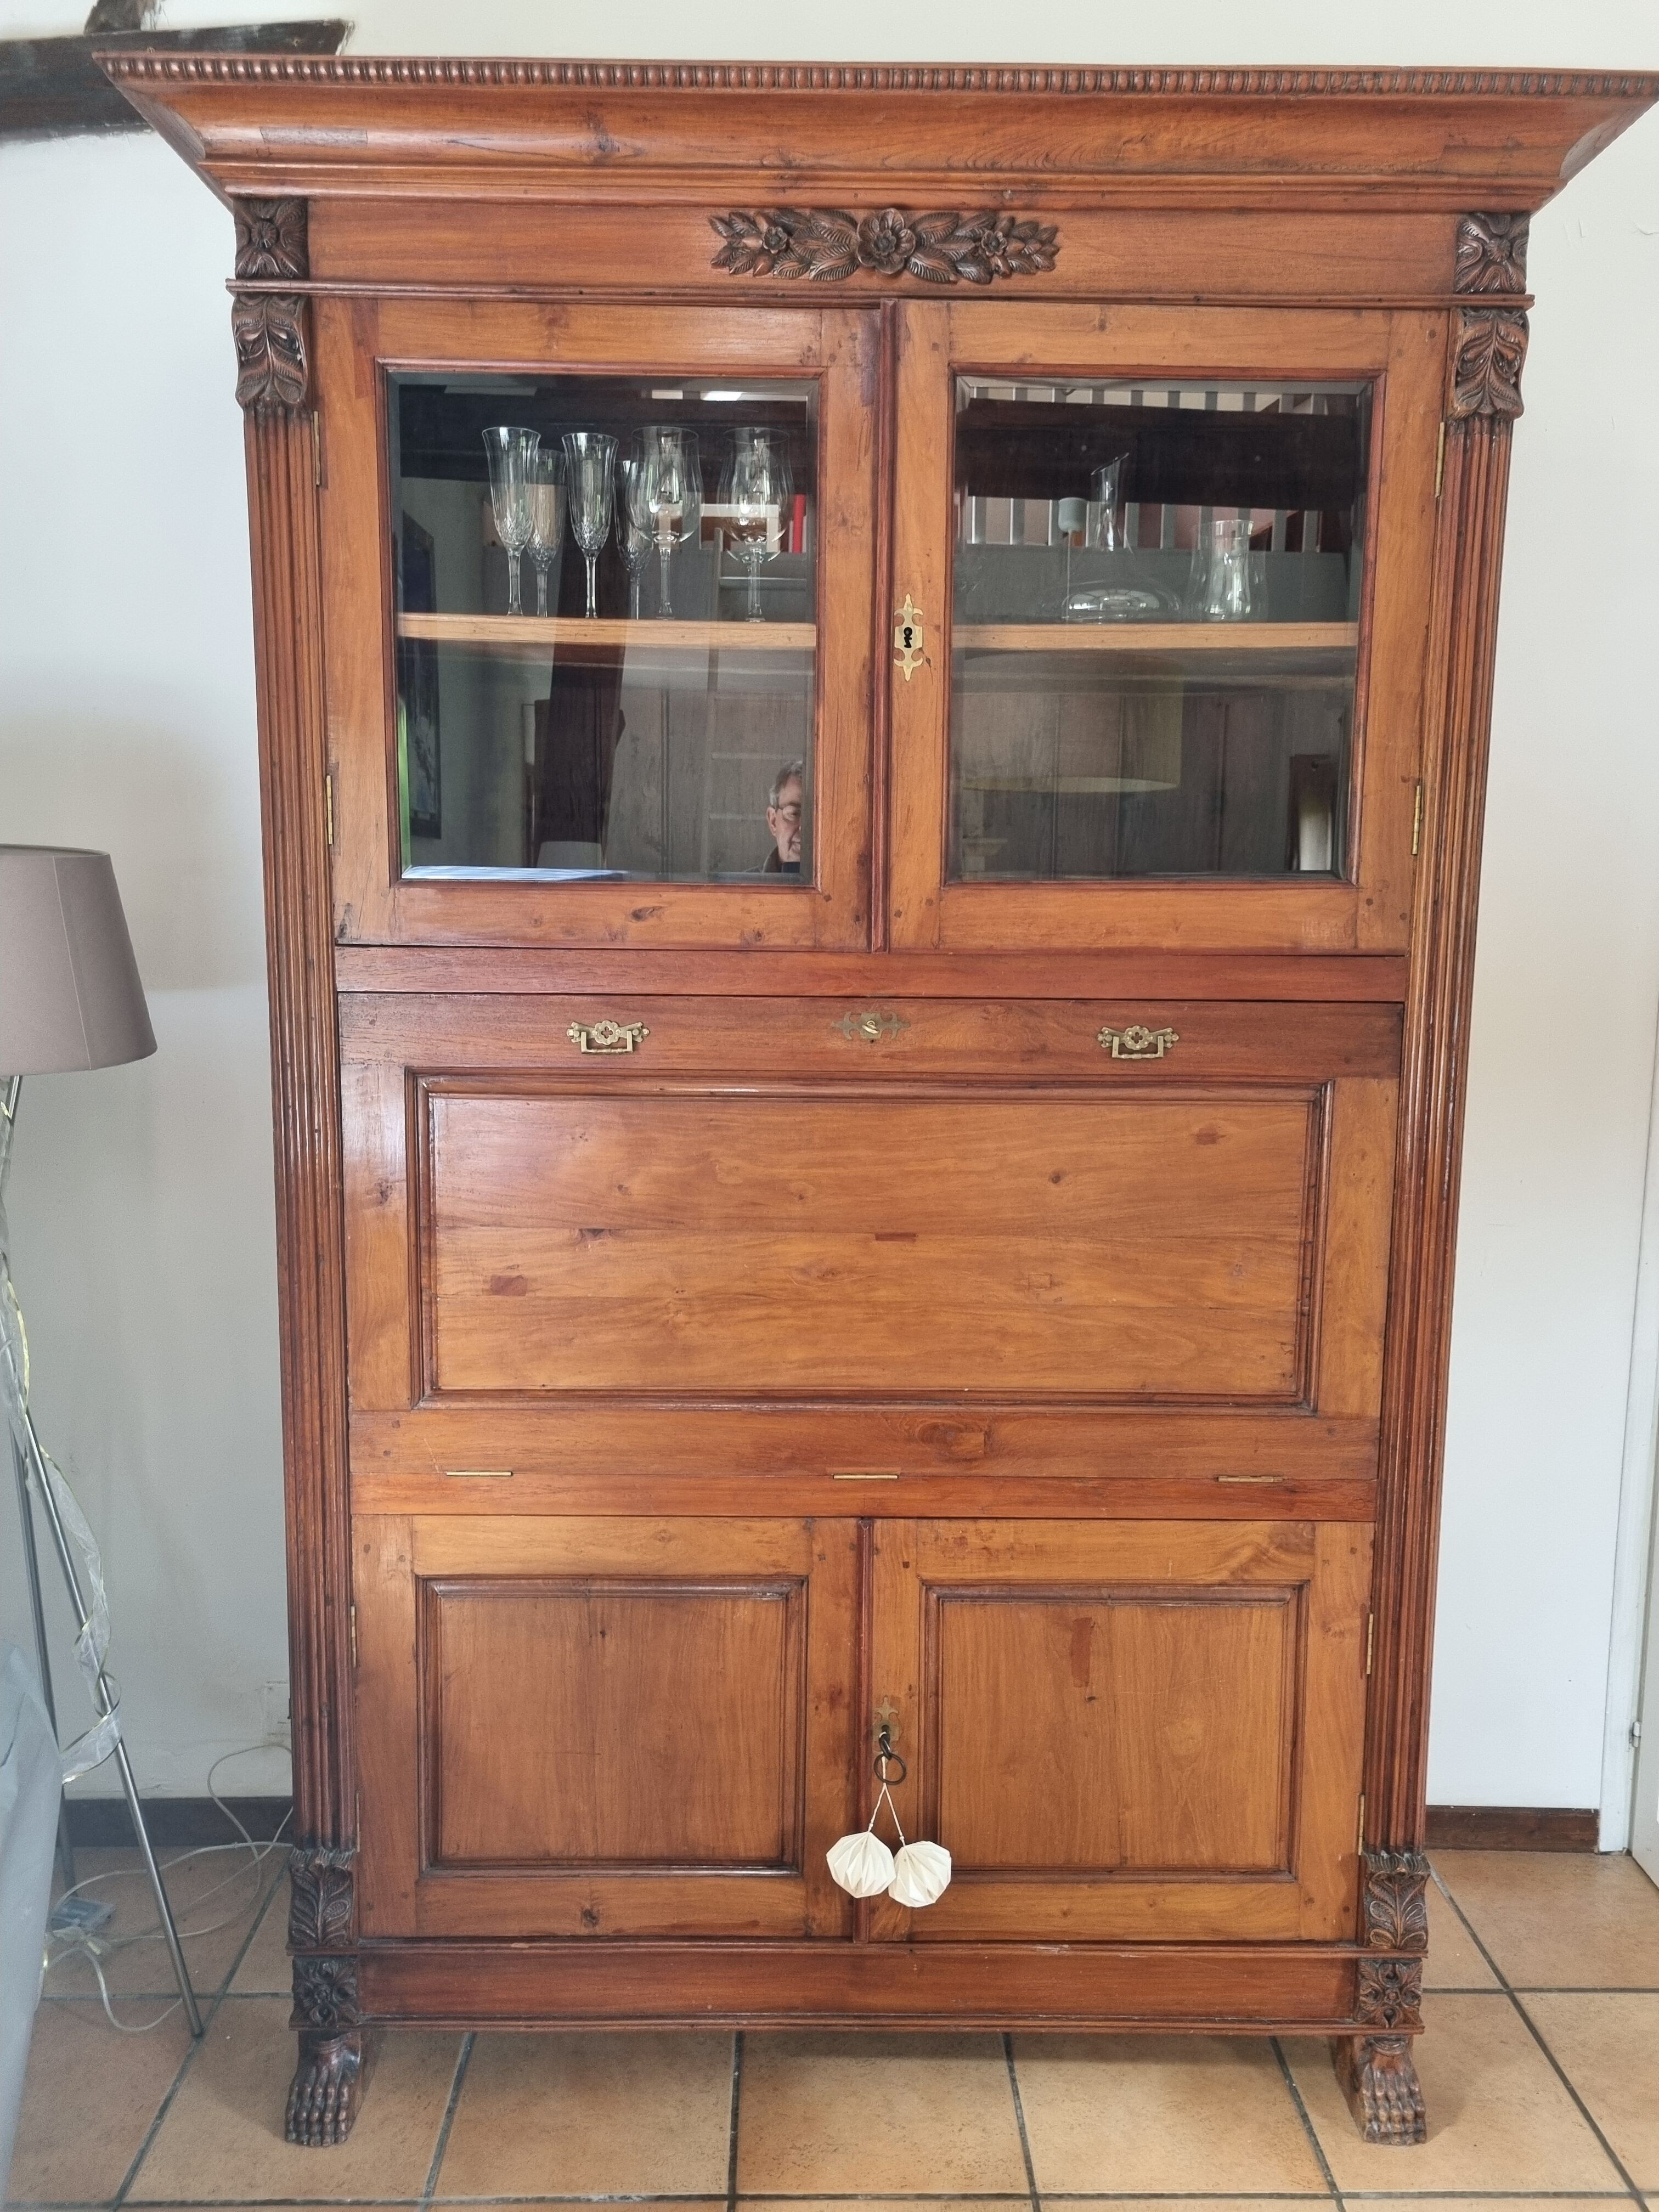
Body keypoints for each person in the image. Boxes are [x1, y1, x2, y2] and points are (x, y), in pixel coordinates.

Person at [763, 760, 804, 874]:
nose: (806, 828)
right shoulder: (742, 889)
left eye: (819, 818)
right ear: (773, 821)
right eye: (794, 814)